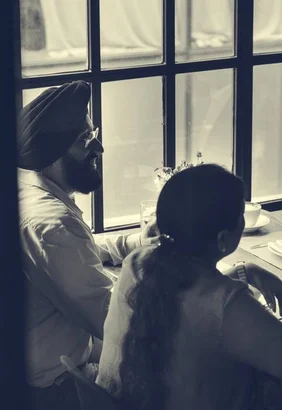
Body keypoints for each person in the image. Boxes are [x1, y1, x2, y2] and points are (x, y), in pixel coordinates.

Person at [96, 164, 282, 410]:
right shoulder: (228, 304)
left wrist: (244, 272)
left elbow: (189, 296)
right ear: (223, 238)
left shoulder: (136, 264)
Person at [17, 81, 158, 410]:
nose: (99, 148)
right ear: (52, 154)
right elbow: (114, 322)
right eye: (84, 140)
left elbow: (75, 251)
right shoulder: (52, 224)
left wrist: (135, 242)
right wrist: (164, 263)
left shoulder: (27, 192)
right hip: (57, 388)